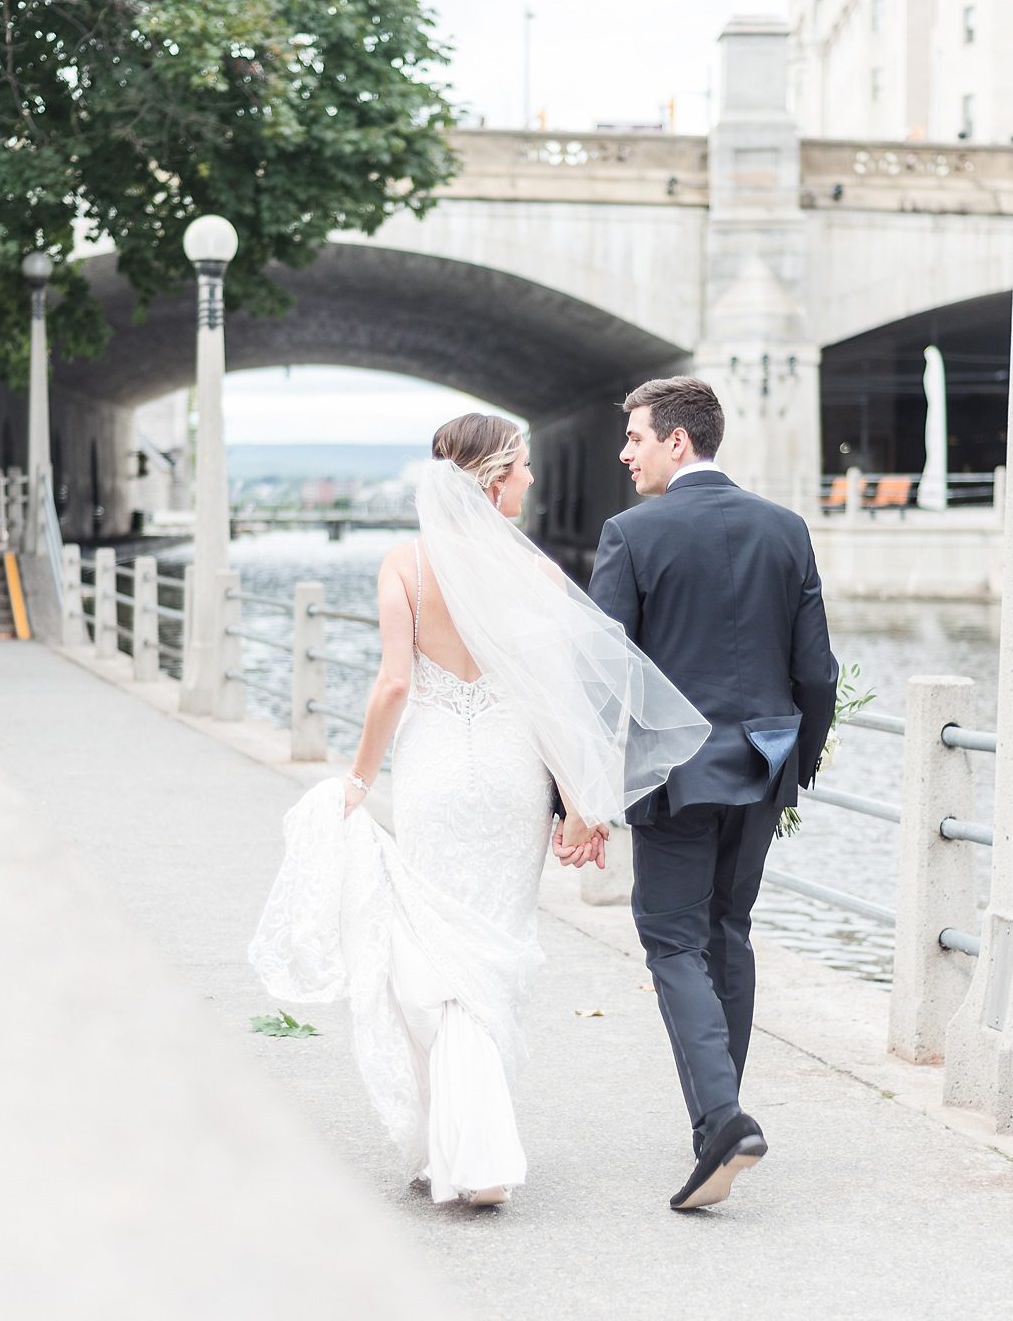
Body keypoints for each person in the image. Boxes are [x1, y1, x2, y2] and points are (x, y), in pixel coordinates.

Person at [249, 414, 708, 1208]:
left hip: (431, 772)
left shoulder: (407, 564)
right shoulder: (529, 574)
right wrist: (580, 806)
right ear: (493, 480)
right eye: (524, 467)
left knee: (438, 951)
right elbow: (558, 698)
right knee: (492, 948)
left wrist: (357, 780)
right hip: (508, 772)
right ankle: (478, 1147)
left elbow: (394, 683)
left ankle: (455, 1147)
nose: (532, 480)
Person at [587, 376, 838, 1211]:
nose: (625, 453)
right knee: (729, 930)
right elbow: (817, 672)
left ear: (678, 442)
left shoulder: (631, 534)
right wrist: (792, 768)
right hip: (764, 767)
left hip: (673, 775)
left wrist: (578, 789)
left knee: (671, 940)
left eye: (635, 437)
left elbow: (602, 678)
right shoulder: (785, 528)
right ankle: (717, 1124)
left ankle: (724, 1119)